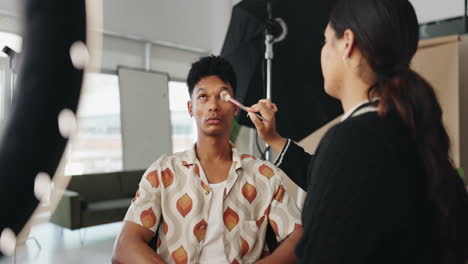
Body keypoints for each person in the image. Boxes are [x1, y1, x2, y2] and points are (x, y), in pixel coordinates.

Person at [248, 0, 468, 263]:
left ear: (347, 43)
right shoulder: (410, 130)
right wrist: (275, 140)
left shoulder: (353, 141)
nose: (322, 52)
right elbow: (339, 180)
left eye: (326, 40)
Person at [112, 56, 303, 264]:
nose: (213, 105)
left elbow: (298, 237)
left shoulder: (265, 176)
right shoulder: (162, 172)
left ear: (236, 108)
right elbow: (124, 246)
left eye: (223, 96)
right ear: (190, 108)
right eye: (203, 97)